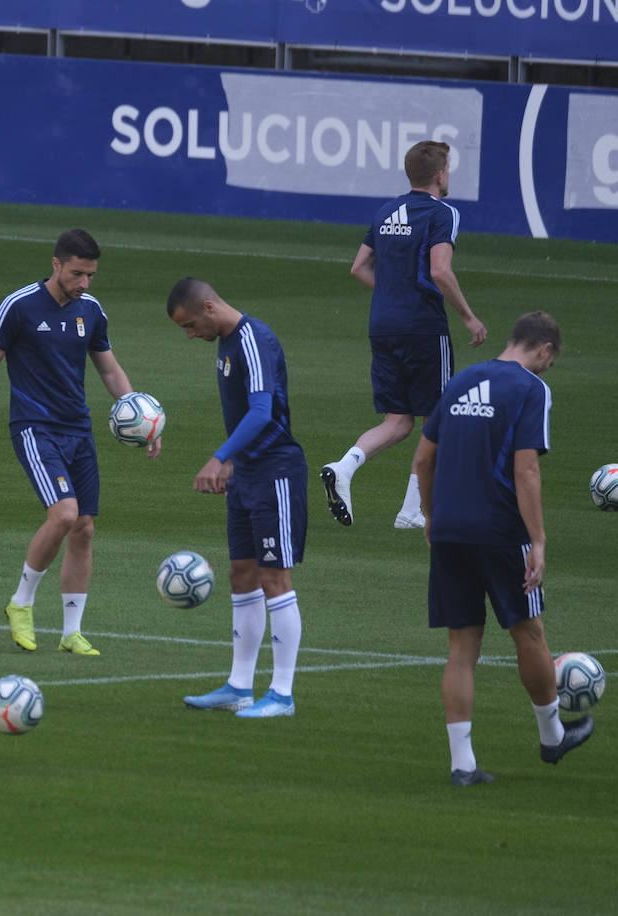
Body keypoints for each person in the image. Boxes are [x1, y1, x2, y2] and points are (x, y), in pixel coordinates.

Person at [410, 311, 592, 787]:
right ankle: (552, 736)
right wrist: (538, 539)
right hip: (500, 530)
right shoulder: (531, 389)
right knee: (528, 632)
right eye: (549, 363)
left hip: (449, 528)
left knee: (461, 648)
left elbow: (422, 458)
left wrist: (431, 515)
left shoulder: (460, 381)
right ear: (545, 350)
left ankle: (462, 765)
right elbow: (526, 469)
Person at [0, 229, 146, 657]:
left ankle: (71, 632)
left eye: (90, 275)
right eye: (76, 273)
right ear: (56, 265)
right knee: (64, 514)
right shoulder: (20, 306)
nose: (84, 282)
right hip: (35, 428)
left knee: (84, 528)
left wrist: (143, 419)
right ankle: (21, 603)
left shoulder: (91, 311)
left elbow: (108, 370)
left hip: (79, 431)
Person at [321, 139, 488, 530]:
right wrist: (468, 316)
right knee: (442, 419)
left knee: (398, 421)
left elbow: (359, 266)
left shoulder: (386, 210)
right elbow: (440, 271)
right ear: (439, 175)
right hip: (423, 327)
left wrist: (391, 292)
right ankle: (412, 510)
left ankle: (344, 467)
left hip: (382, 325)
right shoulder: (442, 213)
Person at [167, 278, 306, 718]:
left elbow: (263, 412)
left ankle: (281, 694)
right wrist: (232, 462)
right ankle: (239, 686)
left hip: (275, 474)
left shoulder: (253, 340)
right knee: (241, 575)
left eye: (190, 325)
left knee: (275, 580)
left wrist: (219, 456)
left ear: (209, 307)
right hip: (246, 474)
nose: (190, 336)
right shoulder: (225, 343)